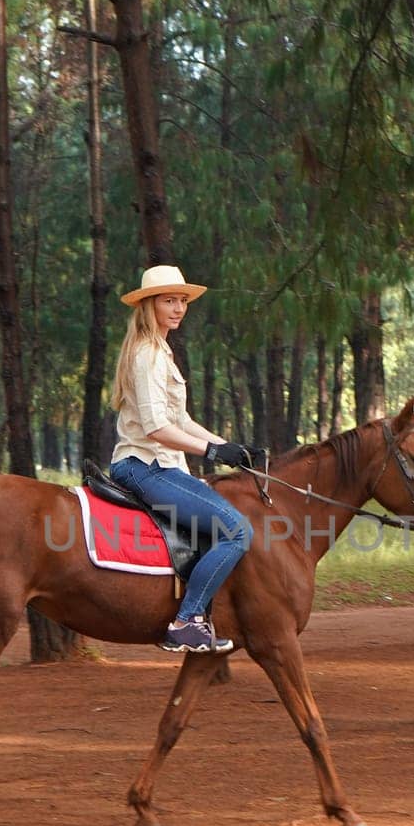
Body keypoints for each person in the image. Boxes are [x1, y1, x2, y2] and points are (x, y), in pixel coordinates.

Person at [108, 265, 260, 653]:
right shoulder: (147, 355)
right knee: (238, 531)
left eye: (182, 301)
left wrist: (232, 449)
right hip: (145, 466)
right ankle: (186, 620)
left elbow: (181, 421)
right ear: (148, 305)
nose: (178, 308)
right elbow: (157, 428)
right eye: (169, 300)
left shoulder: (160, 351)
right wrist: (212, 451)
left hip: (163, 465)